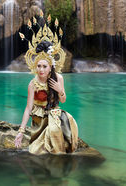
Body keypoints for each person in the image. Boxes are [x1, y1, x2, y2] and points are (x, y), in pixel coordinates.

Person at [14, 17, 78, 155]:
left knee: (55, 132)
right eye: (39, 66)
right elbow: (28, 108)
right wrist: (21, 131)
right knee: (37, 150)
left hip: (54, 115)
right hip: (38, 119)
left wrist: (60, 90)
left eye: (44, 66)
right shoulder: (33, 83)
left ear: (50, 67)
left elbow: (63, 101)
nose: (41, 69)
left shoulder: (58, 78)